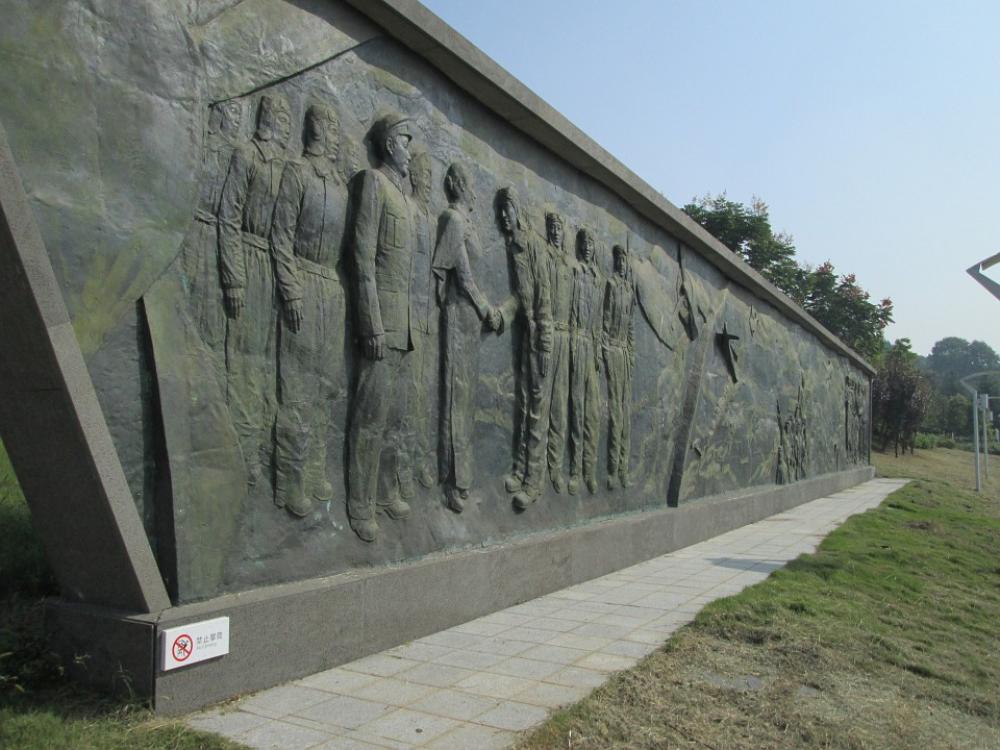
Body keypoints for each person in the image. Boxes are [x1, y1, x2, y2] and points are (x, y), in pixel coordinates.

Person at [269, 101, 349, 517]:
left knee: (326, 387)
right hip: (303, 280)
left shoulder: (339, 185)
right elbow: (280, 236)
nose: (337, 139)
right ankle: (290, 480)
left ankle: (316, 469)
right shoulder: (297, 173)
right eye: (333, 130)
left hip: (331, 289)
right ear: (318, 129)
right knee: (298, 389)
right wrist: (291, 291)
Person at [346, 111, 418, 543]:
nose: (410, 150)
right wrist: (371, 323)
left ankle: (387, 492)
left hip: (403, 329)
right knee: (369, 418)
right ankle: (360, 505)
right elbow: (362, 257)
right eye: (407, 141)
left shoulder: (406, 200)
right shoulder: (373, 183)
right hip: (381, 325)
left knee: (394, 418)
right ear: (390, 144)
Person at [217, 93, 292, 486]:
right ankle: (240, 454)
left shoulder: (285, 167)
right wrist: (234, 277)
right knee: (244, 360)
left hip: (274, 266)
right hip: (247, 258)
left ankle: (261, 450)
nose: (287, 124)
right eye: (283, 116)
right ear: (269, 118)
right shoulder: (246, 155)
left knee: (266, 365)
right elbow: (228, 217)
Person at [432, 163, 502, 512]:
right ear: (458, 185)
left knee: (466, 398)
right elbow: (462, 276)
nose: (476, 192)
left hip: (471, 320)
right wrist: (487, 308)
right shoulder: (453, 220)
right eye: (471, 185)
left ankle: (463, 479)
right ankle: (452, 481)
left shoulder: (467, 223)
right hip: (459, 315)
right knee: (456, 396)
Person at [495, 187, 553, 510]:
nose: (503, 216)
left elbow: (543, 297)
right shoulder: (512, 245)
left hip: (539, 336)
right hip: (523, 334)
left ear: (518, 211)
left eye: (508, 209)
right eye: (500, 211)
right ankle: (520, 468)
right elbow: (520, 295)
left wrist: (544, 343)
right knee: (523, 402)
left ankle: (534, 481)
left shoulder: (532, 246)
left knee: (536, 409)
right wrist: (503, 314)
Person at [568, 227, 603, 495]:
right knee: (576, 410)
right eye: (584, 243)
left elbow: (599, 319)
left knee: (592, 412)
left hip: (592, 348)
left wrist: (598, 352)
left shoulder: (598, 279)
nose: (588, 247)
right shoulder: (574, 271)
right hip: (575, 342)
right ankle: (574, 471)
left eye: (591, 243)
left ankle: (589, 470)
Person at [542, 212, 574, 493]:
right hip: (546, 332)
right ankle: (534, 472)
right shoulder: (544, 257)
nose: (555, 231)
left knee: (559, 406)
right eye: (551, 227)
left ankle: (554, 467)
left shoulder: (569, 265)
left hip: (566, 338)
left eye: (558, 227)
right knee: (540, 404)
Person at [602, 243, 636, 489]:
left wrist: (631, 352)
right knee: (615, 412)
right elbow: (604, 320)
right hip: (612, 349)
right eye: (619, 261)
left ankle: (624, 468)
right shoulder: (611, 285)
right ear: (615, 263)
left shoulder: (628, 289)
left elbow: (631, 325)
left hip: (624, 353)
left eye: (625, 261)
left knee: (625, 412)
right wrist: (605, 351)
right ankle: (613, 470)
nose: (622, 265)